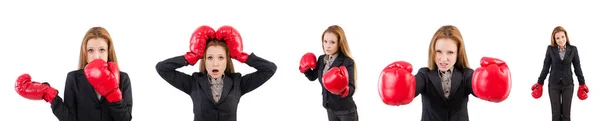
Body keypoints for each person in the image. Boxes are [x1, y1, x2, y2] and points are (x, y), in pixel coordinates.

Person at [378, 25, 512, 121]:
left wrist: (489, 82)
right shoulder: (424, 75)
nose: (443, 58)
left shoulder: (466, 75)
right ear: (432, 51)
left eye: (450, 52)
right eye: (439, 52)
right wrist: (399, 85)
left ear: (458, 53)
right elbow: (415, 86)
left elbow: (475, 86)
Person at [155, 25, 277, 121]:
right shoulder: (193, 83)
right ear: (204, 60)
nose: (215, 63)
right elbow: (162, 68)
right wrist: (190, 57)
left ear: (227, 60)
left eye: (220, 58)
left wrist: (242, 56)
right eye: (210, 58)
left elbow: (269, 69)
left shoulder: (238, 83)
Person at [14, 27, 133, 121]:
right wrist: (50, 96)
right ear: (85, 54)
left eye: (102, 50)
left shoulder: (123, 78)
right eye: (90, 50)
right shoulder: (73, 78)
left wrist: (114, 96)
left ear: (108, 52)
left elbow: (125, 119)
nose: (96, 56)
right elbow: (70, 119)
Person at [299, 25, 359, 121]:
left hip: (346, 111)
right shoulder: (321, 59)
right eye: (325, 41)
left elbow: (352, 88)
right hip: (330, 108)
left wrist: (343, 89)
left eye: (332, 42)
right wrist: (305, 69)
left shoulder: (347, 62)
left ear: (339, 43)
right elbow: (313, 77)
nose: (327, 45)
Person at [531, 26, 589, 121]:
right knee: (556, 115)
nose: (561, 40)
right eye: (557, 38)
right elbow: (545, 67)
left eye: (562, 36)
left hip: (568, 85)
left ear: (566, 36)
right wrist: (540, 83)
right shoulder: (550, 49)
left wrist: (582, 83)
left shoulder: (573, 49)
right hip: (553, 85)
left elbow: (577, 68)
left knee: (566, 116)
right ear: (554, 39)